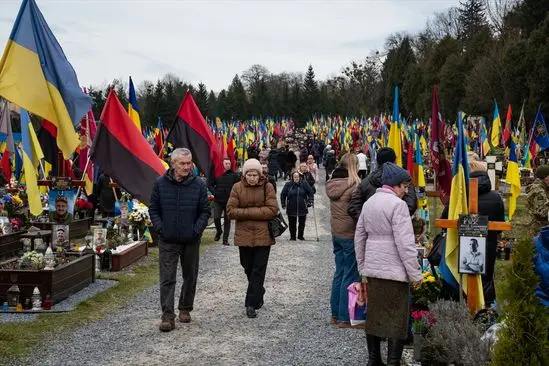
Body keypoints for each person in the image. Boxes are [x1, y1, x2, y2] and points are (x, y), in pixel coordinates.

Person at [354, 162, 422, 365]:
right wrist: (415, 274)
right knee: (397, 319)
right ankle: (393, 362)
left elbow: (359, 237)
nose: (406, 191)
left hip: (374, 269)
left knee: (374, 315)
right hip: (394, 271)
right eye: (405, 186)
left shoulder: (370, 203)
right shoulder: (398, 206)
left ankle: (373, 360)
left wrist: (362, 266)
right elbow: (405, 244)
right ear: (395, 185)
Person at [149, 148, 211, 332]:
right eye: (182, 163)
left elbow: (205, 211)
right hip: (168, 240)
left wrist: (196, 230)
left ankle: (185, 308)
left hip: (190, 239)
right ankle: (168, 316)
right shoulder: (160, 184)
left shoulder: (199, 184)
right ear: (173, 163)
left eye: (189, 163)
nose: (186, 166)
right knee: (167, 278)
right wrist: (161, 229)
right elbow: (154, 209)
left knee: (190, 275)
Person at [440, 159, 504, 306]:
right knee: (485, 279)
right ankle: (485, 310)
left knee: (461, 278)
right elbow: (499, 226)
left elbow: (445, 221)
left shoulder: (459, 197)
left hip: (461, 246)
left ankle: (458, 308)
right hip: (488, 247)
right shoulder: (495, 197)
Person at [227, 158, 278, 318]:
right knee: (247, 266)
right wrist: (256, 212)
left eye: (255, 174)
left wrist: (245, 212)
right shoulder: (237, 187)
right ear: (245, 174)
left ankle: (251, 303)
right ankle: (259, 290)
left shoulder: (268, 187)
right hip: (244, 235)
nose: (252, 178)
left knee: (258, 269)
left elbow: (272, 210)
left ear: (259, 174)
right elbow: (230, 211)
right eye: (249, 174)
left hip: (263, 236)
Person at [326, 153, 362, 328]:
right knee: (350, 274)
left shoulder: (332, 184)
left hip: (337, 233)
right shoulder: (354, 186)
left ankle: (334, 314)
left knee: (339, 273)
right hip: (350, 234)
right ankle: (344, 317)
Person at [348, 147, 417, 220]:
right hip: (394, 227)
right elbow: (411, 204)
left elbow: (354, 208)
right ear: (395, 161)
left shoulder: (365, 181)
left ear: (377, 161)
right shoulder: (404, 178)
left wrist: (369, 222)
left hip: (378, 228)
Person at [212, 158, 240, 246]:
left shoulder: (234, 175)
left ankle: (225, 239)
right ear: (222, 164)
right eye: (226, 163)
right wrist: (214, 192)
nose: (228, 165)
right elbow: (209, 184)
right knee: (216, 217)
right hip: (218, 200)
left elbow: (239, 185)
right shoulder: (217, 174)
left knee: (227, 220)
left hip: (229, 201)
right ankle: (219, 231)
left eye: (229, 163)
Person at [281, 171, 314, 241]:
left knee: (302, 223)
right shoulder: (288, 184)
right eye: (295, 177)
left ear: (300, 177)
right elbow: (283, 194)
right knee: (292, 223)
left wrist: (310, 200)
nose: (296, 178)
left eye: (298, 177)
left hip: (302, 206)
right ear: (292, 178)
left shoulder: (304, 184)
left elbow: (310, 192)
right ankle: (292, 236)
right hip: (291, 206)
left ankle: (300, 236)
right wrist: (283, 204)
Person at [526, 165, 549, 236]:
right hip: (539, 230)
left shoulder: (544, 188)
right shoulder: (538, 191)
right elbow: (541, 212)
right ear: (545, 177)